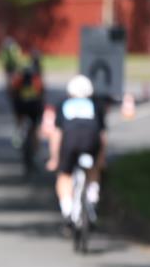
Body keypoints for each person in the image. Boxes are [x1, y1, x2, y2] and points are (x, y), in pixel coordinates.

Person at [46, 75, 107, 226]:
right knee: (93, 169)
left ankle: (67, 211)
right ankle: (92, 199)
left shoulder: (64, 104)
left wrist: (54, 158)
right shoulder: (96, 105)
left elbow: (57, 134)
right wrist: (101, 159)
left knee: (64, 176)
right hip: (91, 140)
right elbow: (102, 135)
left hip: (70, 141)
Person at [8, 64, 45, 170]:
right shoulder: (36, 80)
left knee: (19, 120)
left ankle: (18, 134)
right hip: (34, 108)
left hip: (21, 107)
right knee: (34, 130)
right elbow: (42, 94)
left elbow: (12, 92)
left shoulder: (19, 79)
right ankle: (36, 148)